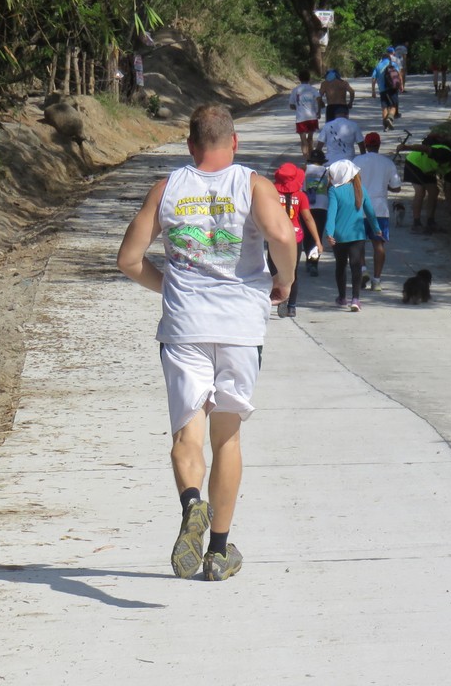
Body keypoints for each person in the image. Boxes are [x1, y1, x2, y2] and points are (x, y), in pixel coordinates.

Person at [116, 103, 296, 581]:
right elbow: (281, 235)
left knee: (186, 436)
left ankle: (192, 502)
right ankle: (217, 551)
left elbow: (129, 260)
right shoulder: (252, 185)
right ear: (234, 141)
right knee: (227, 438)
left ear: (190, 145)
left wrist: (169, 287)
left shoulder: (167, 189)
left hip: (184, 329)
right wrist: (285, 279)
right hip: (240, 328)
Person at [324, 160, 381, 312]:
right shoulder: (360, 189)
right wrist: (376, 228)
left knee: (340, 265)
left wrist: (329, 233)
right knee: (356, 265)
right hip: (358, 235)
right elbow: (370, 211)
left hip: (339, 236)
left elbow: (331, 214)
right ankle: (355, 299)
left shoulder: (334, 191)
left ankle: (342, 297)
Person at [269, 162, 322, 317]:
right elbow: (308, 218)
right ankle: (291, 306)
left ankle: (276, 298)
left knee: (274, 271)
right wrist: (317, 241)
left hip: (275, 237)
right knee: (293, 272)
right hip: (295, 238)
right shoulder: (301, 196)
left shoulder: (272, 193)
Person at [352, 133, 402, 290]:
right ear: (379, 145)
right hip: (380, 209)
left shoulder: (357, 161)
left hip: (360, 207)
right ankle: (377, 280)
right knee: (378, 245)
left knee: (358, 243)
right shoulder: (388, 163)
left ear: (366, 146)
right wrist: (385, 186)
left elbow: (350, 182)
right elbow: (397, 188)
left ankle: (363, 270)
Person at [396, 133, 451, 234]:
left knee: (434, 192)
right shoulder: (444, 154)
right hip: (414, 163)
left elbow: (448, 192)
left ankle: (431, 222)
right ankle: (416, 223)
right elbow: (425, 148)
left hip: (427, 169)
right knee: (420, 191)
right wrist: (406, 147)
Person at [302, 149, 329, 276]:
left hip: (306, 205)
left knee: (307, 234)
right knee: (318, 234)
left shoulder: (304, 169)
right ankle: (314, 262)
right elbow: (330, 187)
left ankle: (309, 257)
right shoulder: (327, 171)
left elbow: (300, 186)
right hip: (322, 206)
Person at [287, 70, 322, 159]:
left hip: (301, 118)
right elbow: (319, 99)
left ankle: (306, 158)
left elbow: (291, 105)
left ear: (299, 78)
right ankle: (311, 158)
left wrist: (298, 107)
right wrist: (318, 111)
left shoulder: (296, 90)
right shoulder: (313, 89)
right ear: (309, 78)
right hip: (312, 117)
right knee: (310, 138)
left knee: (303, 140)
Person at [371, 47, 397, 131]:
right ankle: (390, 118)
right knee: (393, 106)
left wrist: (373, 91)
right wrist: (400, 86)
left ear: (382, 59)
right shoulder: (393, 64)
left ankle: (385, 126)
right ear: (389, 58)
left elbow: (374, 79)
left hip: (382, 90)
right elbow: (399, 75)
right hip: (392, 88)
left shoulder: (378, 66)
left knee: (384, 108)